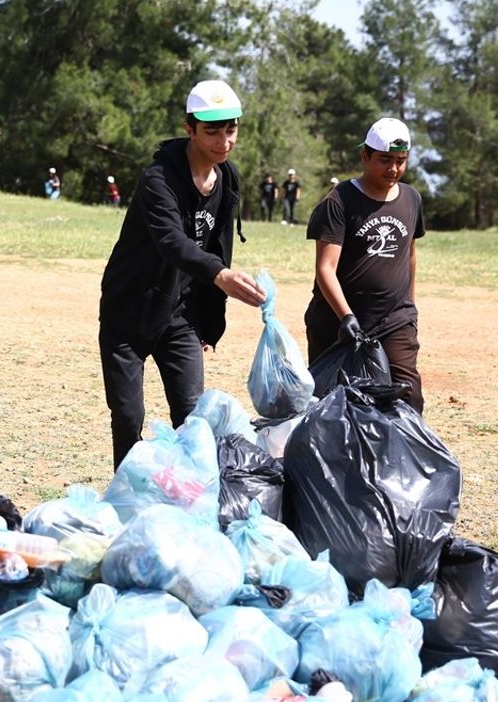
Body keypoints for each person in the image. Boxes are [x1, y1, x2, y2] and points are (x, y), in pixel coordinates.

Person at [98, 79, 267, 468]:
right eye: (212, 131)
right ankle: (129, 495)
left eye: (231, 129)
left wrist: (211, 321)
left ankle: (190, 499)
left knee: (192, 416)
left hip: (181, 313)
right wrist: (220, 275)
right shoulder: (159, 179)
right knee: (128, 416)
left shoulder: (227, 178)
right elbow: (172, 242)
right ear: (189, 128)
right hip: (130, 308)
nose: (224, 141)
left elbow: (218, 247)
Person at [303, 117, 426, 413]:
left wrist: (409, 306)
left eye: (400, 160)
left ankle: (398, 458)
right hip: (336, 324)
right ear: (365, 156)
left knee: (407, 397)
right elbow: (325, 268)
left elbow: (409, 254)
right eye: (385, 160)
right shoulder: (340, 201)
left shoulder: (411, 199)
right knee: (334, 407)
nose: (393, 169)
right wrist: (346, 317)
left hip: (393, 322)